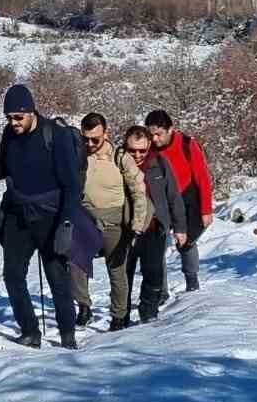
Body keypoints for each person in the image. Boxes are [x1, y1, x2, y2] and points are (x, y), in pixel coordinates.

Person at [0, 84, 98, 350]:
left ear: (31, 111)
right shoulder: (9, 134)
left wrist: (66, 223)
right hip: (18, 215)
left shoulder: (56, 136)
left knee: (57, 278)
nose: (13, 122)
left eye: (18, 117)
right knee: (12, 274)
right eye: (9, 117)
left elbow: (72, 185)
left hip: (51, 216)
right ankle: (30, 331)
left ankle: (67, 334)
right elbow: (5, 166)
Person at [72, 113, 151, 332]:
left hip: (114, 221)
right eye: (85, 138)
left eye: (95, 139)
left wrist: (137, 223)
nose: (90, 144)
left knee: (116, 269)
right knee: (76, 264)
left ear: (106, 134)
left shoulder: (120, 156)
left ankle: (119, 317)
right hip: (85, 218)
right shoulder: (78, 154)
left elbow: (138, 190)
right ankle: (83, 305)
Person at [121, 125, 186, 322]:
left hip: (154, 227)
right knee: (124, 275)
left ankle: (148, 312)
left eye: (142, 150)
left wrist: (180, 228)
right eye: (133, 150)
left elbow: (173, 196)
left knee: (154, 272)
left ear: (149, 145)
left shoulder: (159, 163)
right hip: (125, 228)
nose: (138, 155)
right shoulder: (118, 163)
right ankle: (121, 316)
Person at [144, 109, 214, 293]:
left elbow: (202, 178)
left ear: (170, 130)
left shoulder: (186, 144)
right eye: (151, 135)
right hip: (161, 199)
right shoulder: (147, 149)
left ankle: (192, 282)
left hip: (187, 196)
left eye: (159, 134)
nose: (155, 140)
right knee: (158, 245)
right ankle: (161, 291)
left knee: (187, 241)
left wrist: (206, 209)